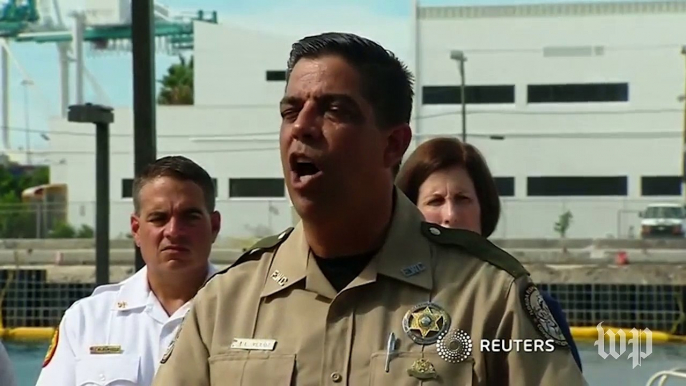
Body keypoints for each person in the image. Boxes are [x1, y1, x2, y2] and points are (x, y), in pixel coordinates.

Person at [152, 32, 586, 385]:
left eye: (333, 110)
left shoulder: (489, 297)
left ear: (393, 144)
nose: (301, 127)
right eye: (290, 111)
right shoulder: (225, 302)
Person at [395, 136, 583, 371]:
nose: (450, 215)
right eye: (435, 201)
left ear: (483, 209)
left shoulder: (524, 308)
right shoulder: (381, 304)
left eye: (462, 199)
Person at [36, 156, 221, 386]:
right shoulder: (88, 320)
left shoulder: (247, 313)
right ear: (136, 229)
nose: (174, 231)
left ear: (214, 226)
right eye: (159, 218)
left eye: (189, 217)